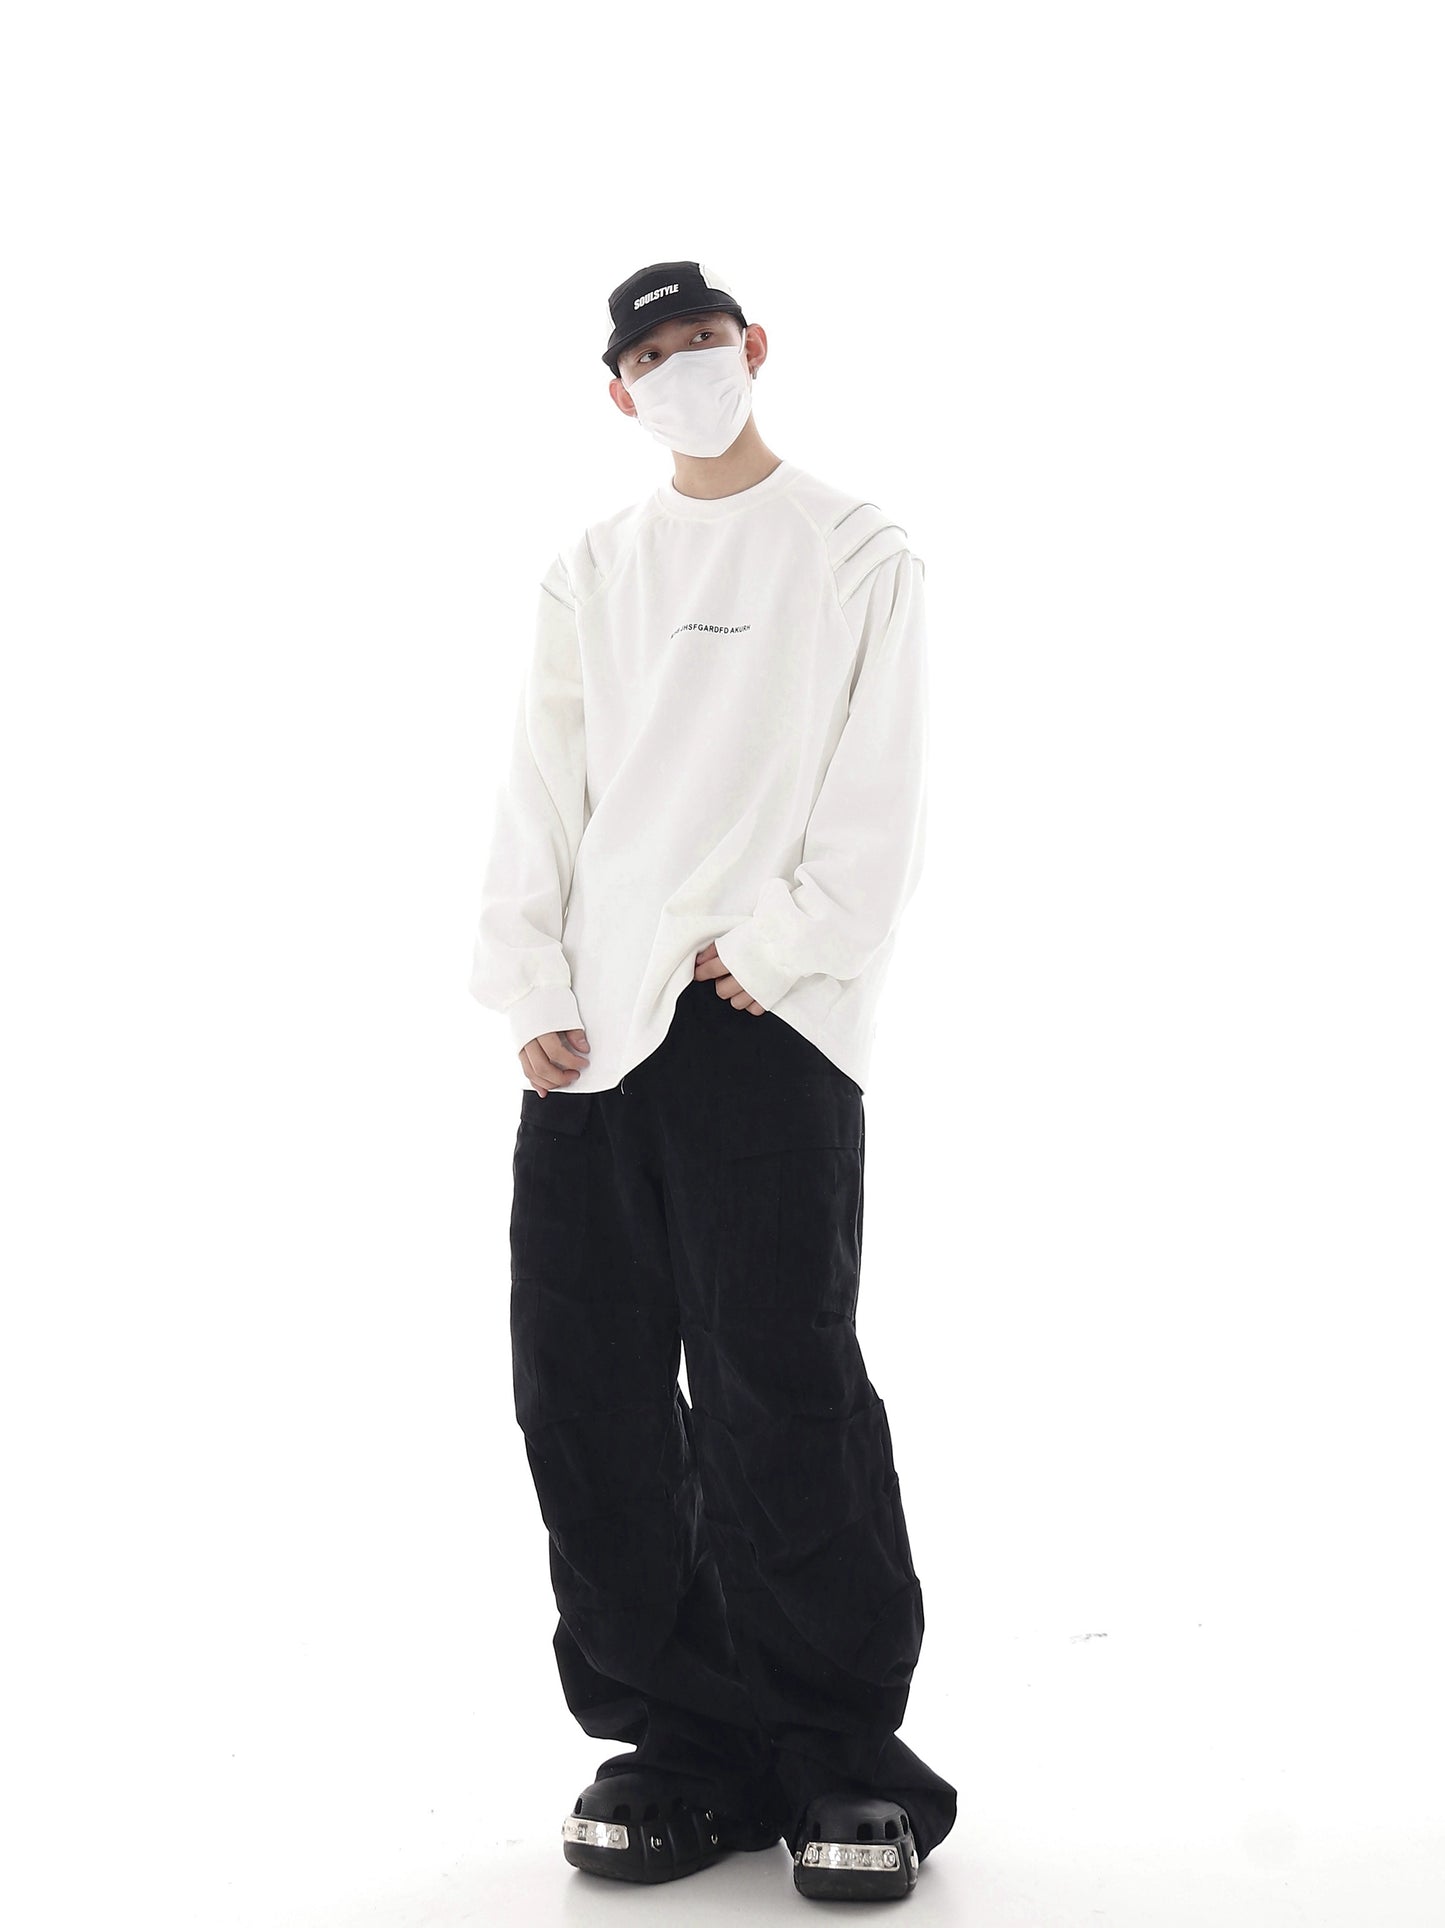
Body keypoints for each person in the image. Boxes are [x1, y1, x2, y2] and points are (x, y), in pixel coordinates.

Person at [469, 260, 955, 1900]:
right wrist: (530, 979)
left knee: (777, 1387)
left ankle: (839, 1757)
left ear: (753, 348)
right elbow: (541, 785)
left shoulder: (852, 549)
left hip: (761, 1020)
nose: (682, 370)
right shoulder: (593, 569)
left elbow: (879, 791)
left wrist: (779, 946)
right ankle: (687, 1748)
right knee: (584, 1393)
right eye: (650, 356)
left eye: (702, 342)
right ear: (616, 391)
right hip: (591, 1039)